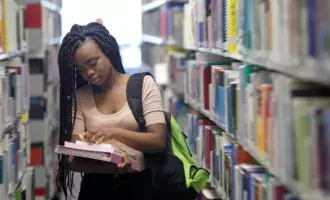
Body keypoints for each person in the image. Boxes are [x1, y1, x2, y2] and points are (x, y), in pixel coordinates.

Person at [56, 22, 166, 200]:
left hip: (141, 188)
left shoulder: (143, 85)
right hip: (96, 189)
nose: (89, 73)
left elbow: (158, 140)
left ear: (108, 50)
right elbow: (73, 158)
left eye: (93, 63)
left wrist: (113, 133)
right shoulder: (80, 97)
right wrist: (112, 166)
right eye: (81, 70)